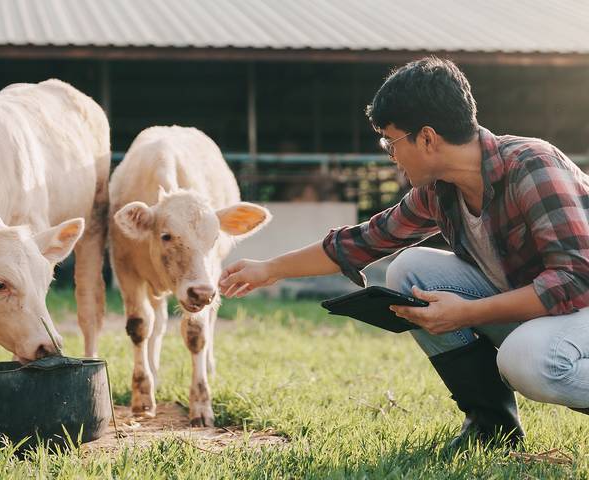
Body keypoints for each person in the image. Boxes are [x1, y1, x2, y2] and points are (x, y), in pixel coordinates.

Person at [219, 56, 589, 449]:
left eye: (391, 142)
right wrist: (269, 269)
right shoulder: (439, 189)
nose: (390, 155)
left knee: (524, 360)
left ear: (427, 138)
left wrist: (467, 313)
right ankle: (491, 425)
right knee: (410, 270)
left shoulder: (533, 165)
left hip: (580, 307)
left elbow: (575, 278)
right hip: (544, 310)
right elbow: (363, 241)